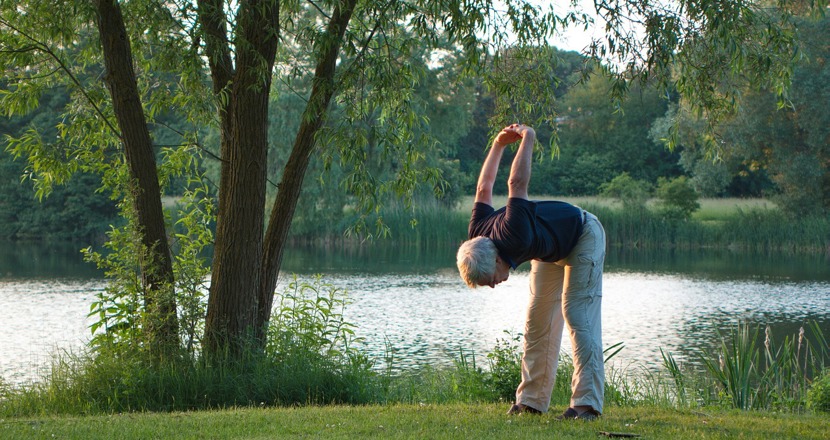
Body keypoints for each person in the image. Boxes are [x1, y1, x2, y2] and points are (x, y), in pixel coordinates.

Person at [456, 123, 606, 421]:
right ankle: (531, 401)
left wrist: (528, 138)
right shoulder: (477, 234)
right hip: (549, 249)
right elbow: (483, 188)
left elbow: (516, 184)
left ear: (497, 260)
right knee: (537, 321)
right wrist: (498, 144)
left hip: (583, 235)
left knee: (577, 314)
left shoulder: (514, 234)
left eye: (490, 281)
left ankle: (587, 404)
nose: (494, 286)